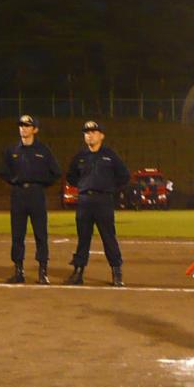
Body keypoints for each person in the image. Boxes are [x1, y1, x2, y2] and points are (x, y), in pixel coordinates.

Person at [64, 120, 130, 286]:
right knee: (83, 239)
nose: (89, 135)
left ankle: (116, 273)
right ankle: (78, 272)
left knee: (109, 237)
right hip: (85, 201)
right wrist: (82, 185)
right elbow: (71, 176)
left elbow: (124, 176)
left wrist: (110, 188)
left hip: (104, 201)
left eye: (93, 132)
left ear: (101, 135)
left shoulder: (110, 155)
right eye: (87, 132)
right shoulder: (80, 156)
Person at [0, 114, 62, 284]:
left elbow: (56, 172)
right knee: (17, 234)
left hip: (36, 194)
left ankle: (43, 271)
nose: (23, 128)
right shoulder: (12, 150)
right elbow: (4, 172)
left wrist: (41, 184)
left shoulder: (43, 150)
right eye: (21, 125)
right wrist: (14, 182)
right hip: (18, 194)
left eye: (27, 125)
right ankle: (18, 271)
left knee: (40, 234)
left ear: (35, 129)